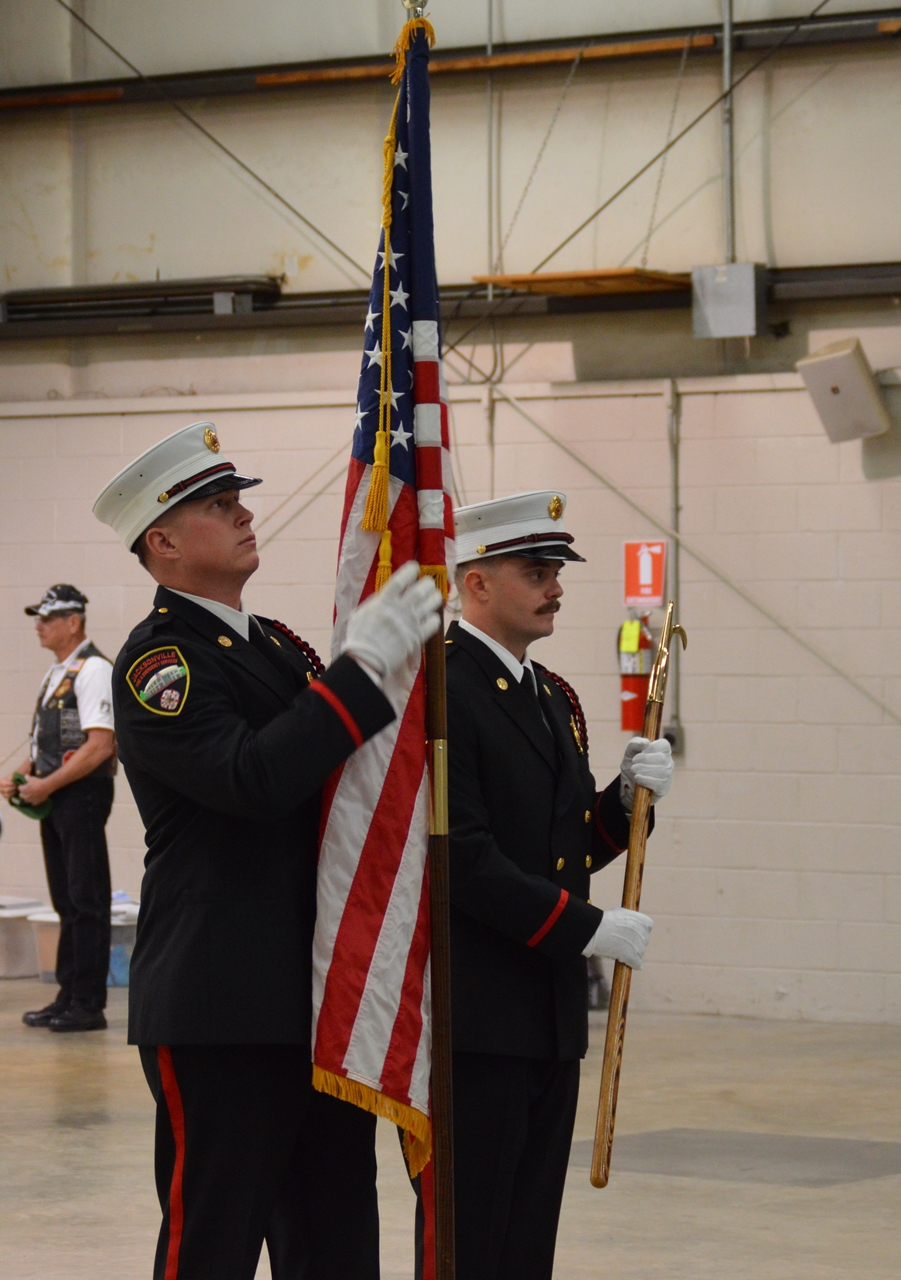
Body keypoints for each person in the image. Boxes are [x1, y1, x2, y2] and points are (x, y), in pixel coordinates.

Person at [92, 420, 441, 1280]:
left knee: (333, 1235)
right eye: (218, 505)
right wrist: (359, 671)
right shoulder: (159, 664)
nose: (245, 514)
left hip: (313, 996)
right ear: (164, 543)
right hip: (221, 999)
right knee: (213, 1238)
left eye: (238, 499)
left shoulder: (274, 646)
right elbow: (251, 778)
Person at [435, 491, 674, 1280]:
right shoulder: (440, 688)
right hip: (472, 1011)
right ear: (476, 582)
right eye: (536, 573)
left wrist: (625, 803)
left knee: (527, 1235)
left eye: (555, 573)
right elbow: (458, 857)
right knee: (469, 1235)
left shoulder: (550, 696)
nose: (556, 588)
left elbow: (564, 846)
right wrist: (585, 929)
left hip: (544, 1010)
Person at [0, 584, 116, 1032]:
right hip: (55, 797)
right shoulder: (58, 673)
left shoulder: (94, 670)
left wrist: (44, 785)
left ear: (73, 622)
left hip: (81, 796)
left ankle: (88, 1004)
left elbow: (99, 746)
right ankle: (68, 995)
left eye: (48, 618)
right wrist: (22, 775)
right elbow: (48, 743)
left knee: (87, 901)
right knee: (67, 900)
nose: (39, 626)